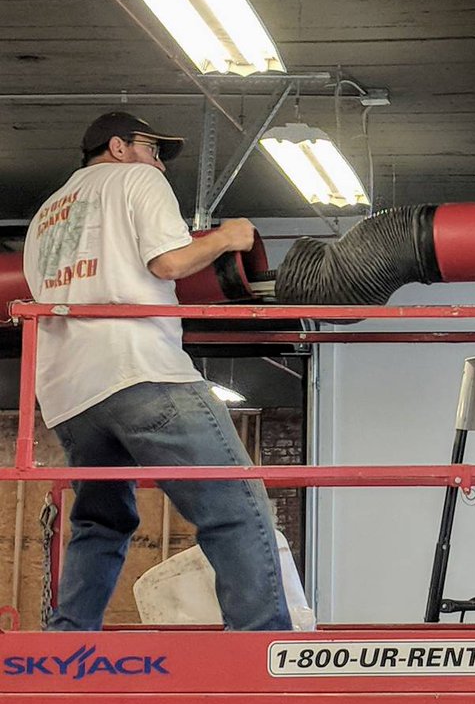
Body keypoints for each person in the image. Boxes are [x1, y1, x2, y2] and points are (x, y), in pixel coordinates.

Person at [22, 111, 292, 631]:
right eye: (153, 150)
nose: (160, 165)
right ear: (119, 147)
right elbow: (168, 263)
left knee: (101, 522)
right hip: (139, 368)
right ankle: (262, 647)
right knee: (237, 505)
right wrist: (228, 237)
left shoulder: (45, 217)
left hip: (68, 393)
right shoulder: (134, 179)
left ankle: (66, 643)